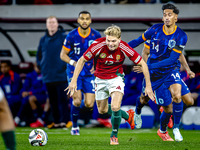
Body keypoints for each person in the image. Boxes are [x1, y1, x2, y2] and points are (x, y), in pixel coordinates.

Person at [66, 25, 154, 145]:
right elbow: (81, 60)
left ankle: (114, 135)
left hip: (116, 78)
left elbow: (143, 64)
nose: (110, 44)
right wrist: (73, 80)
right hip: (100, 79)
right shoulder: (97, 45)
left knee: (115, 106)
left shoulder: (124, 47)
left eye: (113, 41)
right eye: (108, 40)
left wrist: (148, 86)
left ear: (119, 39)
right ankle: (127, 116)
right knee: (102, 110)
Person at [128, 3, 195, 142]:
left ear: (176, 17)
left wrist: (187, 69)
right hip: (154, 74)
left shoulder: (181, 35)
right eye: (164, 14)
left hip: (171, 70)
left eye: (169, 15)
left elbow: (172, 59)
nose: (166, 17)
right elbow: (137, 41)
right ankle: (138, 112)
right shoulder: (154, 30)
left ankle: (174, 128)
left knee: (179, 97)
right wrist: (120, 47)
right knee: (144, 99)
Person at [60, 11, 101, 134]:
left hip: (89, 72)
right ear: (78, 20)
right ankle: (75, 126)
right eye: (82, 18)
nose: (84, 21)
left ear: (90, 21)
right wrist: (73, 63)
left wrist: (97, 64)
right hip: (74, 71)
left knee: (89, 104)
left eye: (87, 19)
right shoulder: (71, 35)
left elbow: (100, 53)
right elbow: (63, 55)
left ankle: (75, 106)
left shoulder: (96, 35)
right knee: (77, 100)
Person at [36, 15, 70, 129]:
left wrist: (64, 66)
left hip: (61, 75)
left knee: (63, 99)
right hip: (48, 75)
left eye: (53, 22)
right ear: (46, 24)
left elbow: (69, 52)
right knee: (52, 100)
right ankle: (56, 122)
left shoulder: (63, 37)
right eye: (49, 22)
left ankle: (65, 121)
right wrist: (41, 66)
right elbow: (39, 55)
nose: (51, 24)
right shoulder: (42, 39)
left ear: (57, 24)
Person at [14, 62, 48, 127]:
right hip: (30, 95)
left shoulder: (44, 75)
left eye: (39, 66)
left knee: (30, 98)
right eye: (36, 66)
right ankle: (20, 119)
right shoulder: (30, 75)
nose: (38, 68)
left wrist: (30, 93)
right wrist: (23, 92)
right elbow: (25, 86)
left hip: (42, 96)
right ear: (34, 66)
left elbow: (44, 89)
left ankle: (18, 119)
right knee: (24, 98)